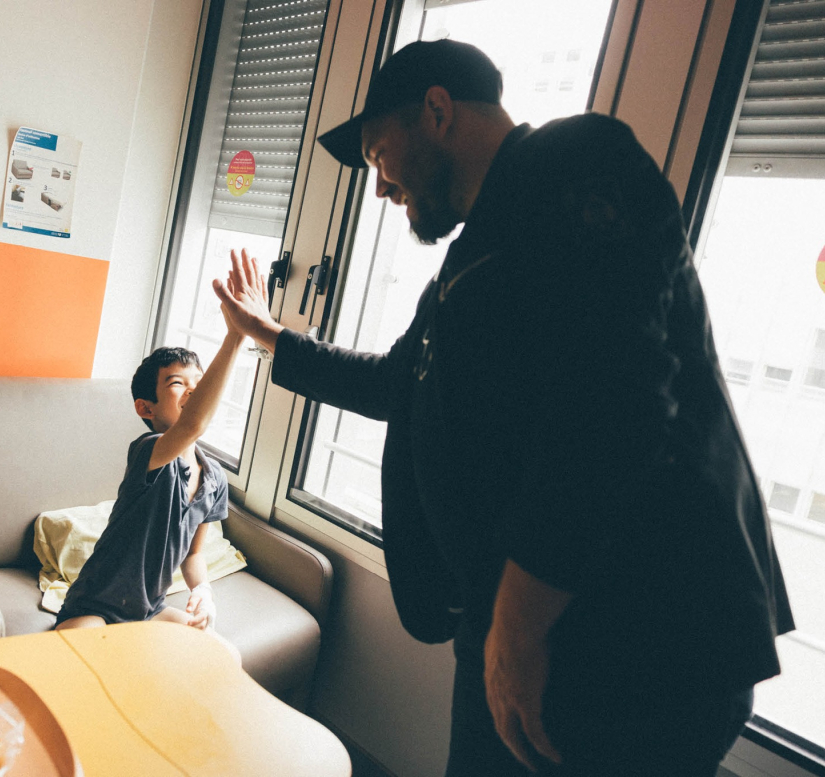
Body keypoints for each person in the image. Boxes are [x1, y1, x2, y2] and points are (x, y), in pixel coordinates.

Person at [214, 39, 793, 776]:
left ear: (436, 110)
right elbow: (400, 381)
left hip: (631, 637)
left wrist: (518, 629)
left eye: (377, 156)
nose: (382, 189)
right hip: (534, 623)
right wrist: (271, 338)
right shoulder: (467, 262)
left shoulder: (577, 160)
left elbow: (618, 400)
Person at [55, 333, 244, 666]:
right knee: (89, 664)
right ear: (146, 407)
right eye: (176, 383)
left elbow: (193, 554)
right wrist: (235, 337)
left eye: (198, 382)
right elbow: (192, 425)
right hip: (95, 606)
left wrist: (203, 592)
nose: (193, 389)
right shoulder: (149, 450)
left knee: (223, 656)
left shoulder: (214, 478)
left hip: (150, 610)